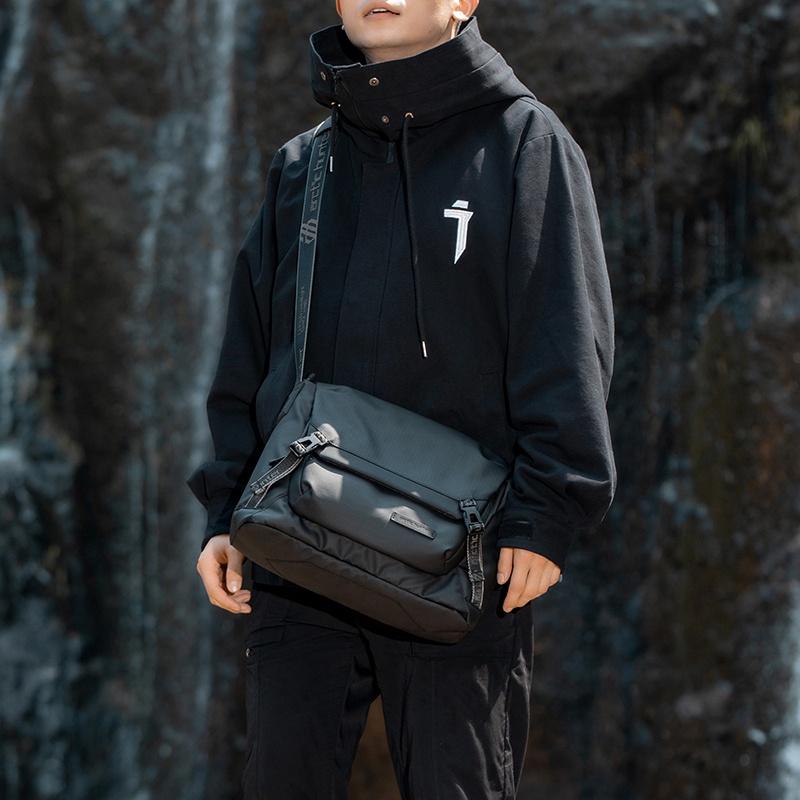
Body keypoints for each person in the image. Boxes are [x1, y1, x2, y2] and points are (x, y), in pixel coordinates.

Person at [186, 1, 617, 797]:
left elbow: (564, 333)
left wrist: (547, 514)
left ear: (464, 2)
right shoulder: (303, 164)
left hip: (461, 556)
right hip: (299, 542)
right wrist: (225, 508)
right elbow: (250, 350)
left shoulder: (526, 144)